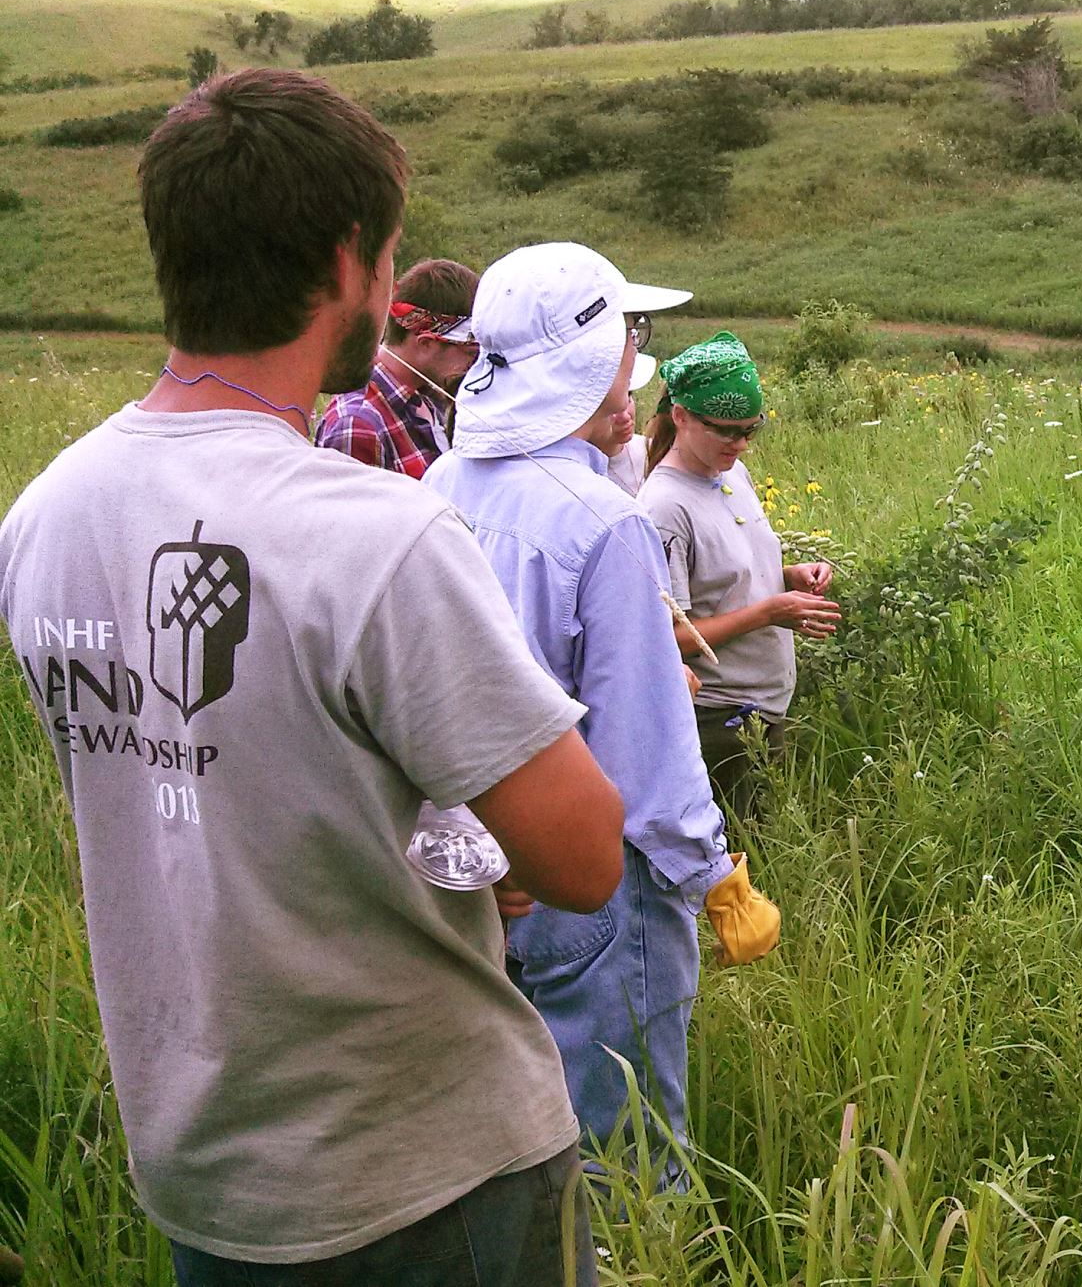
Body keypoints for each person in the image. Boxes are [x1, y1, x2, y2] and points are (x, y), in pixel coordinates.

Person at [0, 68, 625, 1284]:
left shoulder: (43, 515)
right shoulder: (375, 535)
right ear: (348, 262)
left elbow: (192, 787)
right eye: (390, 258)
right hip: (428, 1167)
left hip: (208, 1173)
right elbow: (585, 859)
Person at [426, 243, 782, 1180]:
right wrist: (712, 874)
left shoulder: (441, 485)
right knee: (624, 1148)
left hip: (482, 873)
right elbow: (644, 750)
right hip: (599, 881)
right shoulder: (603, 522)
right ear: (591, 357)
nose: (637, 353)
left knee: (516, 1128)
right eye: (631, 333)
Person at [637, 333, 839, 830]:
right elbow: (672, 636)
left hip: (767, 701)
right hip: (720, 715)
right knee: (742, 854)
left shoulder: (732, 474)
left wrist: (789, 577)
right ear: (681, 415)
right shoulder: (663, 507)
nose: (741, 444)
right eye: (727, 431)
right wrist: (772, 612)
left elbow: (729, 576)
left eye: (752, 430)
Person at [313, 257, 478, 478]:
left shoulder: (427, 395)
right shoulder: (357, 425)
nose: (474, 363)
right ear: (426, 343)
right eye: (469, 352)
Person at [605, 296, 691, 494]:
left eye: (630, 396)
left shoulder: (654, 451)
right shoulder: (582, 472)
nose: (624, 414)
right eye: (609, 405)